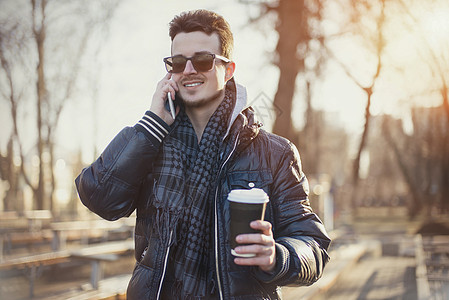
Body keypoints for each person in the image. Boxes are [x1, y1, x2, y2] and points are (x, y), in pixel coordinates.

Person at [75, 9, 330, 300]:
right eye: (177, 62)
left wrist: (278, 256)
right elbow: (99, 198)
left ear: (229, 69)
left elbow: (313, 245)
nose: (189, 70)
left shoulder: (276, 153)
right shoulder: (150, 144)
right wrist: (151, 124)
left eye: (203, 60)